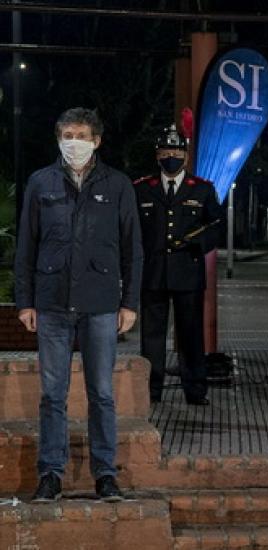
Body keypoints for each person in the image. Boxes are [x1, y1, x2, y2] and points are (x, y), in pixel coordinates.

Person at [14, 107, 142, 502]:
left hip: (100, 302)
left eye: (81, 135)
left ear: (96, 141)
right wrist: (25, 302)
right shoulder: (41, 182)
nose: (74, 142)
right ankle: (50, 474)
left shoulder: (118, 184)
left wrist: (130, 303)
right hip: (51, 302)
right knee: (53, 394)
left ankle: (105, 474)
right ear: (58, 139)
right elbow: (26, 245)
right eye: (67, 135)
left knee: (101, 392)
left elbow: (132, 248)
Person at [133, 124, 222, 406]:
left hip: (188, 271)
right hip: (153, 272)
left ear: (185, 155)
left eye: (176, 151)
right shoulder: (142, 188)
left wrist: (196, 243)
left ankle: (195, 390)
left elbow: (216, 226)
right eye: (165, 151)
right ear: (157, 155)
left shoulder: (203, 189)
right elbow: (132, 231)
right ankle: (151, 391)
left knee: (191, 335)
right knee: (152, 337)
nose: (170, 156)